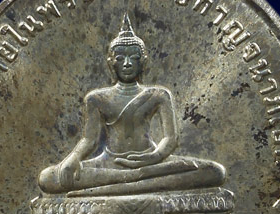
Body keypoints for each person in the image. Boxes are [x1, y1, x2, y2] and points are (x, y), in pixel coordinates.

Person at [38, 14, 226, 195]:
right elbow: (89, 140)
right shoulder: (96, 98)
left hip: (152, 163)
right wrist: (74, 157)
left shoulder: (158, 95)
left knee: (215, 172)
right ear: (111, 62)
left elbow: (171, 139)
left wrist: (154, 157)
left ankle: (128, 180)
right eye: (120, 58)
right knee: (47, 177)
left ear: (143, 61)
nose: (127, 63)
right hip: (110, 164)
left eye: (134, 58)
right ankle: (136, 180)